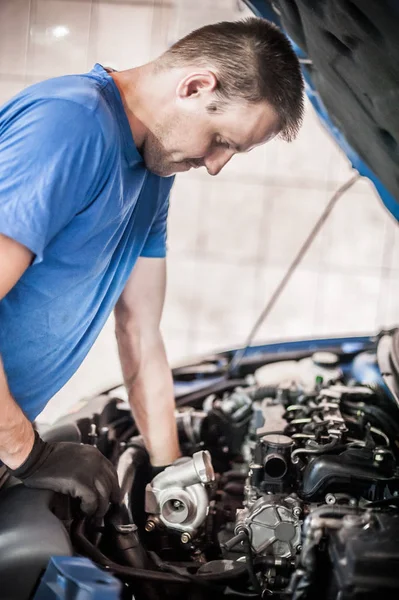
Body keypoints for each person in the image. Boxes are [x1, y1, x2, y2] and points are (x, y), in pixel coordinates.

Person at [0, 18, 304, 518]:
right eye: (222, 139)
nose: (215, 165)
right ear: (195, 86)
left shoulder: (153, 173)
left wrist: (172, 474)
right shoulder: (70, 125)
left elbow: (140, 329)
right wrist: (28, 453)